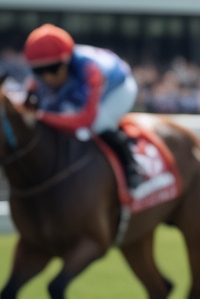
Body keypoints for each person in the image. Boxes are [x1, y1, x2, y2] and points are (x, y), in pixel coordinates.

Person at [23, 24, 143, 189]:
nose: (47, 77)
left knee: (97, 124)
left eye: (53, 69)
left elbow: (86, 119)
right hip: (82, 87)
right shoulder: (43, 74)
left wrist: (42, 117)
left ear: (66, 60)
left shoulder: (90, 69)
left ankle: (131, 166)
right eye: (39, 71)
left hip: (118, 89)